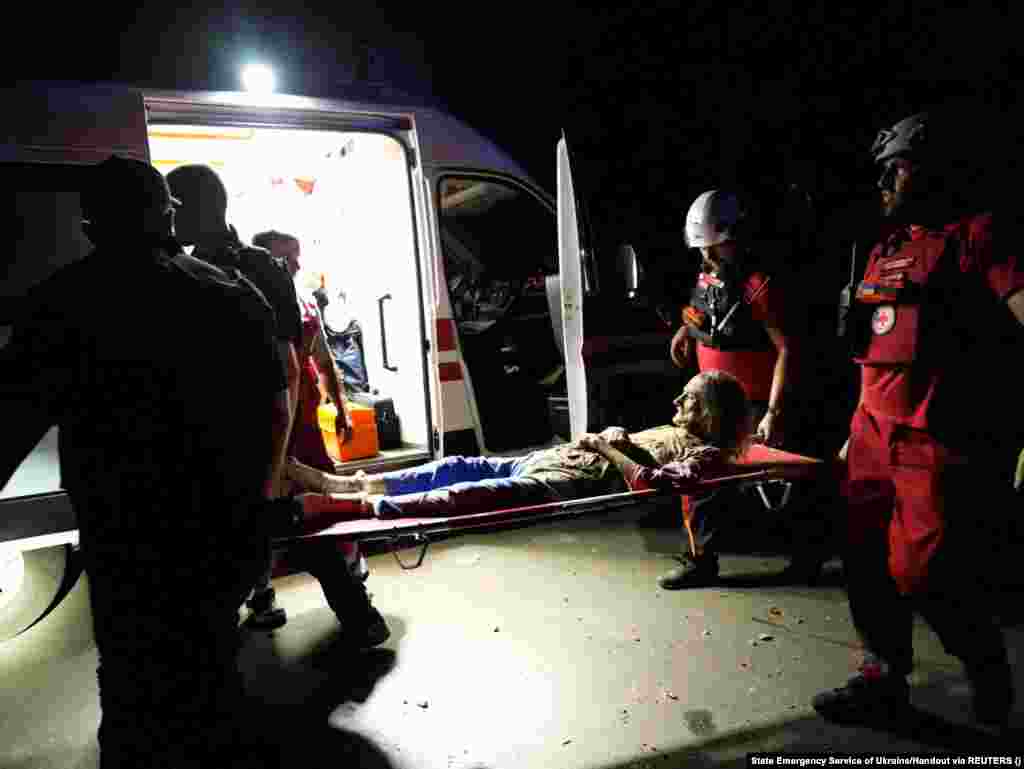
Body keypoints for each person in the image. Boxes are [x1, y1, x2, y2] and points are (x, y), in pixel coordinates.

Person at [0, 155, 346, 767]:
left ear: (90, 224)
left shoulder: (57, 304)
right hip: (215, 520)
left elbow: (12, 418)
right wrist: (263, 490)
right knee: (209, 661)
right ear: (168, 215)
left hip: (120, 527)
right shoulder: (225, 294)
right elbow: (276, 397)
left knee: (129, 666)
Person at [813, 111, 1024, 729]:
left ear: (937, 169)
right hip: (874, 429)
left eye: (895, 167)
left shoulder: (979, 235)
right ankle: (881, 676)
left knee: (925, 570)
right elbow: (875, 341)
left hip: (938, 432)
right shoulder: (887, 244)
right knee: (862, 556)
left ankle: (983, 659)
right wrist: (856, 429)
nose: (883, 179)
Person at [167, 170, 386, 646]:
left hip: (264, 426)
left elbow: (289, 364)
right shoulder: (197, 268)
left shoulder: (249, 268)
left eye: (174, 205)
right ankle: (330, 612)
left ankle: (356, 612)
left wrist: (278, 452)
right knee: (255, 530)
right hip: (237, 431)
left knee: (287, 521)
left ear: (193, 208)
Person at [284, 370, 753, 522]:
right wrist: (616, 440)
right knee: (457, 466)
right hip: (552, 459)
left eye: (688, 399)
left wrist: (612, 449)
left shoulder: (705, 455)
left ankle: (350, 508)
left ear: (709, 415)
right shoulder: (680, 430)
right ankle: (342, 482)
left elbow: (652, 484)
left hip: (566, 482)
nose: (676, 400)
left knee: (466, 497)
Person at [662, 189, 825, 589]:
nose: (708, 257)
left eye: (716, 248)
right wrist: (686, 330)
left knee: (792, 480)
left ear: (737, 236)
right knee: (694, 480)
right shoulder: (708, 273)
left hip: (749, 403)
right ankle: (700, 560)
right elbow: (707, 314)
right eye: (703, 249)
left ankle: (808, 560)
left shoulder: (759, 284)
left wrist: (774, 410)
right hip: (708, 406)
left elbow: (787, 348)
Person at [251, 228, 388, 646]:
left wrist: (341, 407)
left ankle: (350, 567)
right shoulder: (243, 301)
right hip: (266, 416)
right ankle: (264, 593)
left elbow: (323, 360)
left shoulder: (303, 301)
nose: (294, 265)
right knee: (268, 503)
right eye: (283, 258)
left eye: (295, 256)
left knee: (322, 499)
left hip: (302, 415)